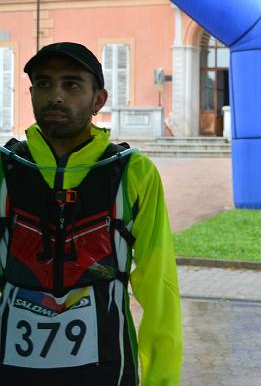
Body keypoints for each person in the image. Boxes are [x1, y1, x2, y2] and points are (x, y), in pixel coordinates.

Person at [0, 42, 182, 385]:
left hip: (107, 370)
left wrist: (162, 379)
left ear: (99, 99)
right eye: (44, 83)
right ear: (31, 93)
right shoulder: (6, 169)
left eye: (71, 84)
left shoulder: (133, 172)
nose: (56, 96)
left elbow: (160, 286)